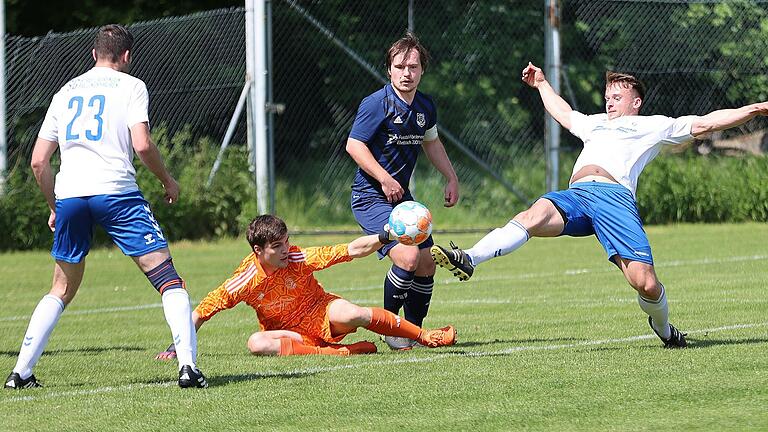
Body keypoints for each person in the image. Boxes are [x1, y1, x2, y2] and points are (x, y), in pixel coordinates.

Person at [431, 61, 768, 349]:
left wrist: (755, 109)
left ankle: (665, 330)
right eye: (607, 97)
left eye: (617, 97)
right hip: (578, 195)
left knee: (645, 283)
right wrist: (542, 84)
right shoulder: (594, 123)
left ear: (635, 102)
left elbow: (708, 122)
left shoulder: (652, 126)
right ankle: (469, 258)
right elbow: (563, 113)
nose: (609, 102)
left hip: (614, 199)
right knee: (533, 214)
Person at [5, 24, 206, 389]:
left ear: (93, 54)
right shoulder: (132, 86)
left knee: (60, 290)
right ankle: (188, 368)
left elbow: (38, 161)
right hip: (116, 194)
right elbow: (142, 144)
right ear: (126, 56)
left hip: (71, 196)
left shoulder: (64, 92)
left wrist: (55, 205)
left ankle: (21, 372)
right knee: (168, 280)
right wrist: (168, 180)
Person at [154, 215, 456, 360]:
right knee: (256, 343)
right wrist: (176, 347)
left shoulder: (297, 256)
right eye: (277, 246)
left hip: (319, 309)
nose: (286, 249)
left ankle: (424, 335)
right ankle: (337, 352)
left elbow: (350, 249)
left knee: (355, 313)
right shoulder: (244, 280)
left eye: (286, 241)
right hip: (290, 332)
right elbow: (203, 311)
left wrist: (385, 235)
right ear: (258, 251)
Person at [345, 32, 459, 350]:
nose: (406, 73)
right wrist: (383, 178)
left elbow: (432, 142)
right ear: (389, 70)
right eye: (400, 67)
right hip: (371, 197)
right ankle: (391, 327)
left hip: (402, 200)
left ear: (422, 70)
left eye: (413, 66)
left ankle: (413, 332)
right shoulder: (376, 104)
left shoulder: (424, 106)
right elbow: (354, 145)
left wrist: (451, 177)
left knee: (426, 264)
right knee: (408, 256)